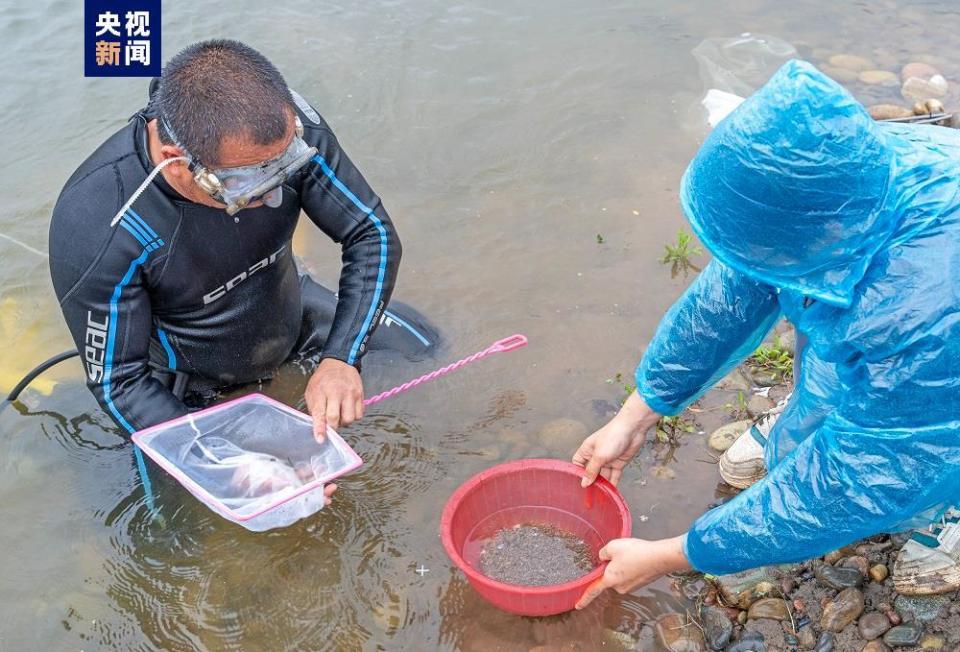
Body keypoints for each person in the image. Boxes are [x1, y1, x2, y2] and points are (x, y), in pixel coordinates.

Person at [572, 59, 960, 608]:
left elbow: (865, 474)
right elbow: (726, 298)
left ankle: (948, 516)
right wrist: (636, 414)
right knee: (834, 365)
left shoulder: (926, 313)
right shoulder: (824, 187)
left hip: (943, 374)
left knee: (922, 455)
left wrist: (675, 553)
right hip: (893, 323)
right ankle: (813, 418)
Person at [48, 40, 437, 448]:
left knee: (428, 347)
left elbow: (370, 232)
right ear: (175, 160)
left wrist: (342, 358)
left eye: (282, 171)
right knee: (212, 505)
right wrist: (225, 463)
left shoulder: (288, 130)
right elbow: (120, 383)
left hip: (291, 315)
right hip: (190, 384)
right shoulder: (98, 220)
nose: (272, 195)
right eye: (247, 183)